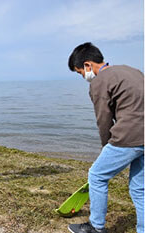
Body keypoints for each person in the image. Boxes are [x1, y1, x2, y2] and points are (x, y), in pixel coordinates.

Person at [67, 42, 144, 233]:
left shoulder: (100, 82)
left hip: (129, 136)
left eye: (80, 72)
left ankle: (96, 227)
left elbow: (104, 121)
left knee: (97, 175)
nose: (83, 77)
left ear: (87, 65)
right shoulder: (133, 71)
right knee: (140, 188)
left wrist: (106, 147)